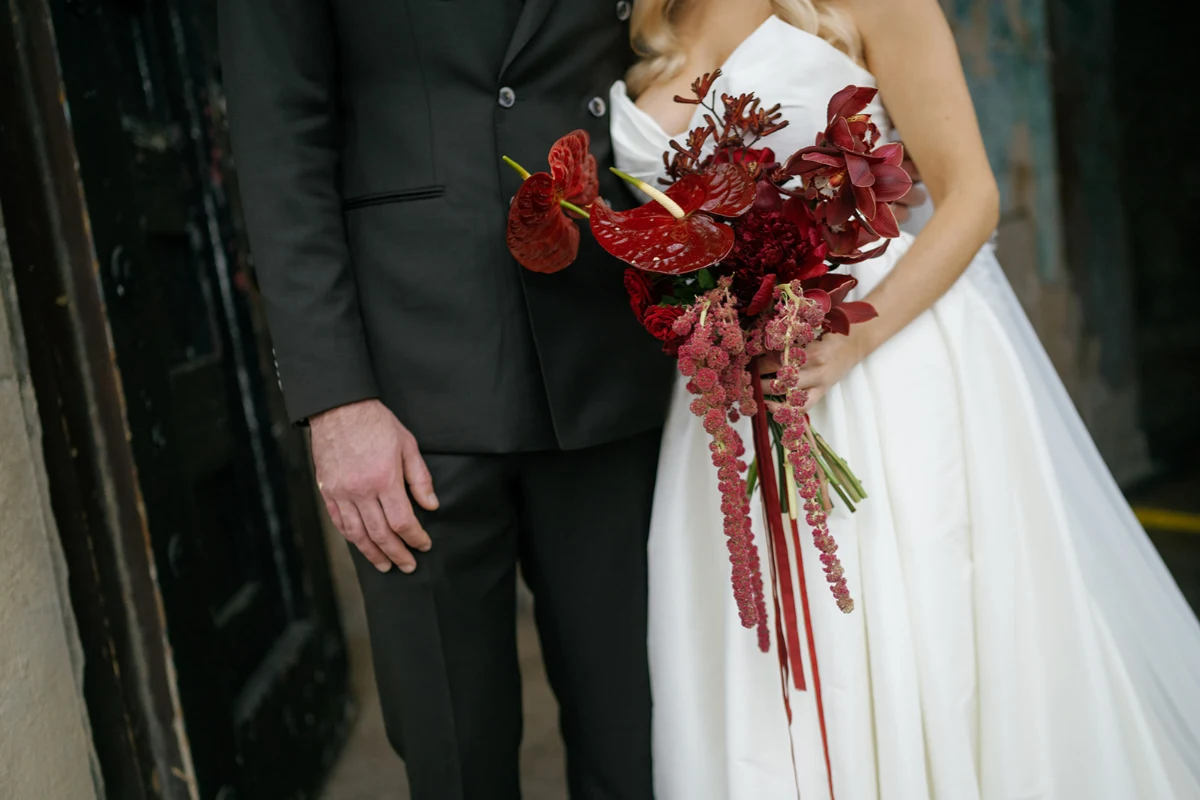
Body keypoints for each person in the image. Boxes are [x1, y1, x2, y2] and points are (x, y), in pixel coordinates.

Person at [610, 1, 1200, 798]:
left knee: (909, 647)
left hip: (880, 375)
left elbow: (971, 197)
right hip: (728, 410)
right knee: (755, 674)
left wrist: (852, 340)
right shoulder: (647, 18)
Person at [217, 3, 675, 799]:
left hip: (613, 359)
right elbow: (278, 136)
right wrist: (337, 399)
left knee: (645, 747)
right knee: (455, 761)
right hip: (408, 389)